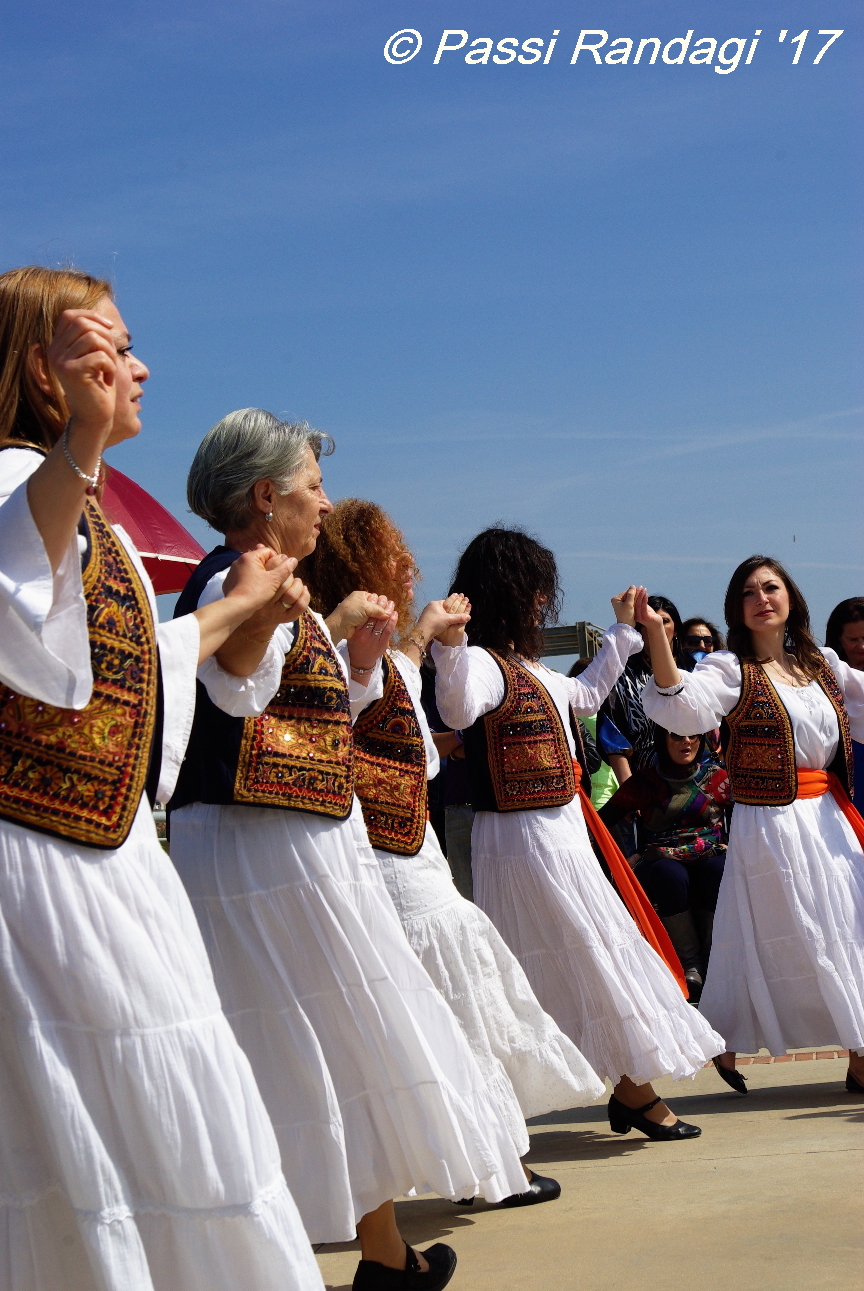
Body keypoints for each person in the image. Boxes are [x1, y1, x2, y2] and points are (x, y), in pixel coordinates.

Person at [0, 267, 327, 1290]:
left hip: (108, 864)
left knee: (154, 1123)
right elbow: (22, 605)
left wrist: (245, 610)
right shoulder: (22, 479)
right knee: (87, 1135)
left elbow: (140, 662)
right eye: (110, 346)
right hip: (39, 869)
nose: (136, 367)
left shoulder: (91, 520)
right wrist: (82, 446)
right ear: (41, 368)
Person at [168, 413, 529, 1291]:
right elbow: (233, 681)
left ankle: (384, 1253)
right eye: (311, 485)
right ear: (266, 497)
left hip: (294, 842)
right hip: (263, 847)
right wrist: (278, 611)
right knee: (303, 1041)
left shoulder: (266, 584)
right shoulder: (237, 577)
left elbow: (276, 677)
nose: (324, 502)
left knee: (330, 1043)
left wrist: (317, 618)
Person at [303, 499, 605, 1203]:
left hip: (410, 851)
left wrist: (420, 634)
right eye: (392, 557)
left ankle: (481, 1157)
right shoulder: (344, 648)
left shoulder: (370, 646)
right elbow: (360, 694)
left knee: (447, 1004)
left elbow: (395, 674)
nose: (409, 566)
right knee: (451, 1004)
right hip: (391, 860)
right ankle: (489, 1162)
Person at [432, 527, 724, 1143]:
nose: (543, 600)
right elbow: (457, 711)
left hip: (560, 834)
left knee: (590, 956)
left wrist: (625, 629)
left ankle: (629, 1091)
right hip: (519, 842)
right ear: (507, 589)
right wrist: (452, 646)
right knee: (573, 960)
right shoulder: (481, 663)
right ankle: (626, 1094)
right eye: (534, 588)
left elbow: (587, 692)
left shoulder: (533, 669)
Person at [640, 558, 864, 1097]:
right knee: (803, 934)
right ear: (736, 608)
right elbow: (683, 709)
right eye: (748, 592)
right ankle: (849, 1053)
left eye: (771, 587)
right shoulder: (729, 668)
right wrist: (655, 636)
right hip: (772, 825)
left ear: (790, 597)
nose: (762, 597)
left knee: (852, 927)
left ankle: (858, 1055)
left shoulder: (821, 663)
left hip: (829, 819)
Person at [599, 728, 730, 1001]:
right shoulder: (645, 782)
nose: (687, 741)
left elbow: (746, 814)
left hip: (710, 853)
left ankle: (713, 960)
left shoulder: (718, 778)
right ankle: (690, 964)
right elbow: (600, 822)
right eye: (677, 735)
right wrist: (622, 860)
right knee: (669, 874)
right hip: (660, 858)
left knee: (718, 869)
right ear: (662, 739)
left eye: (693, 735)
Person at [597, 594, 691, 788]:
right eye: (647, 620)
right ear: (638, 629)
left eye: (665, 621)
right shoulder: (621, 677)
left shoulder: (694, 670)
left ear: (676, 630)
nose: (656, 625)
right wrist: (630, 791)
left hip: (697, 781)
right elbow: (613, 738)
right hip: (648, 784)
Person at [826, 598, 864, 810]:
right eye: (853, 639)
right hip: (844, 797)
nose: (861, 646)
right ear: (839, 641)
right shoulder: (825, 684)